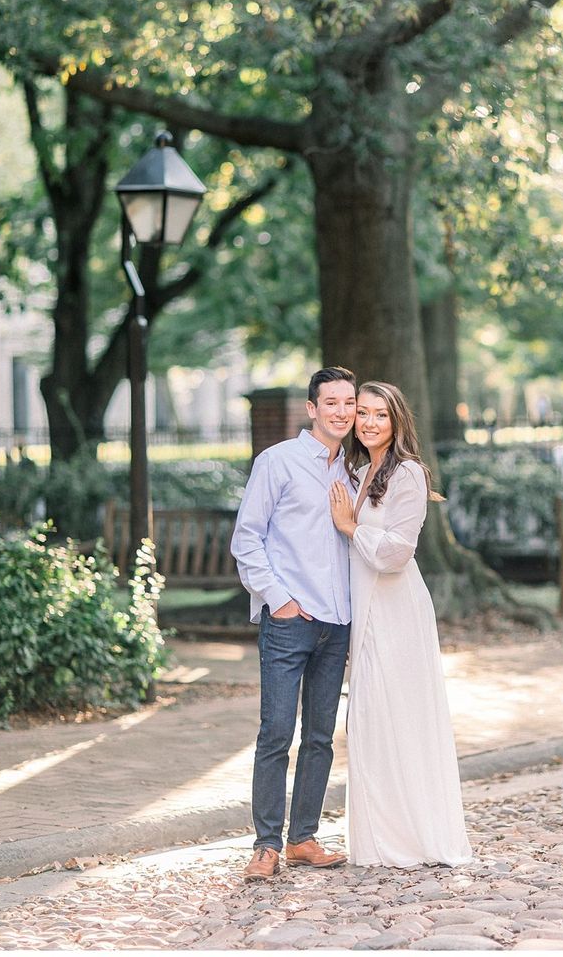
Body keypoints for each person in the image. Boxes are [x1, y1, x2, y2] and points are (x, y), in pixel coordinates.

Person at [329, 381, 472, 868]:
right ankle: (380, 839)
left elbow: (395, 553)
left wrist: (350, 527)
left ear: (397, 422)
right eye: (362, 413)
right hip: (367, 610)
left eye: (380, 415)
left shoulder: (407, 473)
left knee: (400, 719)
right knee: (371, 721)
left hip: (396, 611)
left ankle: (413, 838)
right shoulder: (362, 470)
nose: (369, 422)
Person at [231, 366, 357, 881]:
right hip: (290, 622)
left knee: (321, 736)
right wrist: (279, 600)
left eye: (350, 402)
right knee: (277, 733)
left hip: (340, 621)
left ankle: (303, 838)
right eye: (332, 402)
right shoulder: (277, 462)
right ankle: (266, 845)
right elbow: (247, 538)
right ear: (312, 408)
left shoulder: (358, 467)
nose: (342, 412)